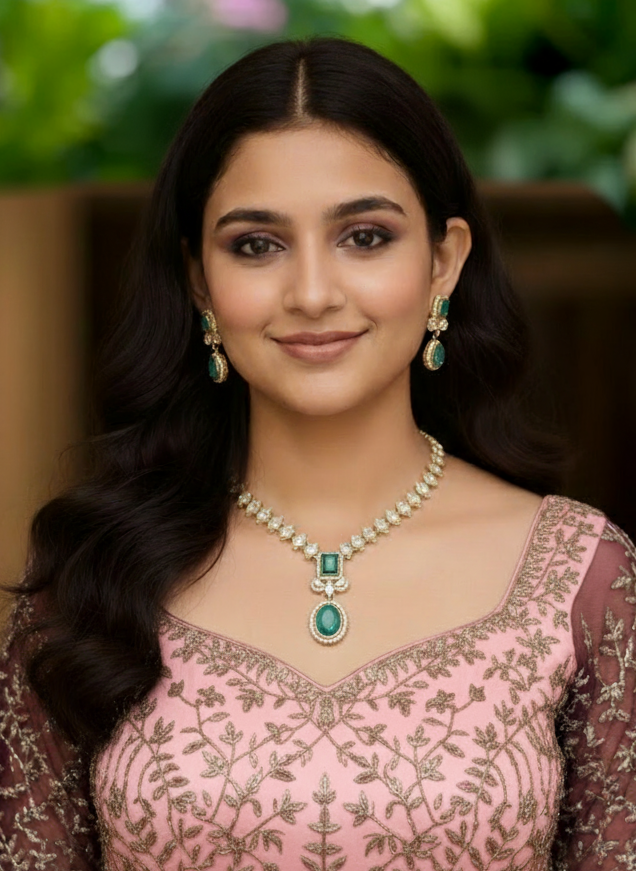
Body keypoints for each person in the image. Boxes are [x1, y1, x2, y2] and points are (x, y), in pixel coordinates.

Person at [1, 35, 634, 871]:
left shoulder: (577, 574)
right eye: (256, 245)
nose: (310, 293)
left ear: (444, 262)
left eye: (364, 237)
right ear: (199, 284)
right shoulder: (92, 578)